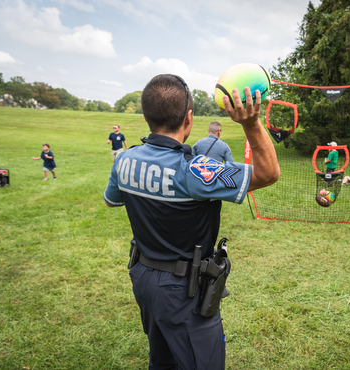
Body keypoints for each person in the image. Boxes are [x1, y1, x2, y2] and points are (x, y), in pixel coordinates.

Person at [103, 74, 279, 369]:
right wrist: (250, 123)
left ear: (147, 116)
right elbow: (268, 173)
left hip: (143, 277)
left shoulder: (125, 159)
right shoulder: (195, 170)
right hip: (184, 290)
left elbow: (112, 200)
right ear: (189, 118)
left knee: (162, 360)